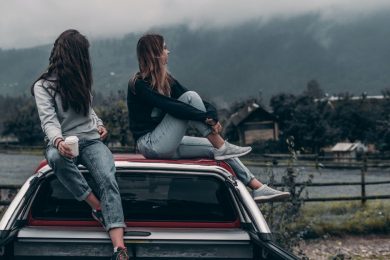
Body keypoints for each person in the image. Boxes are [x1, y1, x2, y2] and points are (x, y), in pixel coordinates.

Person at [127, 33, 289, 202]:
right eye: (165, 48)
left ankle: (258, 187)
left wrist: (212, 116)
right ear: (155, 53)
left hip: (166, 143)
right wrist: (204, 118)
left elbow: (200, 102)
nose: (169, 51)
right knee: (190, 98)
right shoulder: (138, 84)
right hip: (149, 144)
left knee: (215, 149)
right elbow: (172, 106)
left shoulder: (166, 80)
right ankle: (221, 145)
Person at [32, 29, 129, 260]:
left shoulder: (81, 81)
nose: (87, 59)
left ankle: (119, 247)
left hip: (91, 141)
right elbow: (49, 121)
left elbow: (88, 112)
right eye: (84, 54)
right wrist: (58, 141)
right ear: (73, 55)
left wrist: (99, 124)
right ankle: (96, 206)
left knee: (107, 177)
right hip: (63, 143)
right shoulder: (43, 86)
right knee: (54, 158)